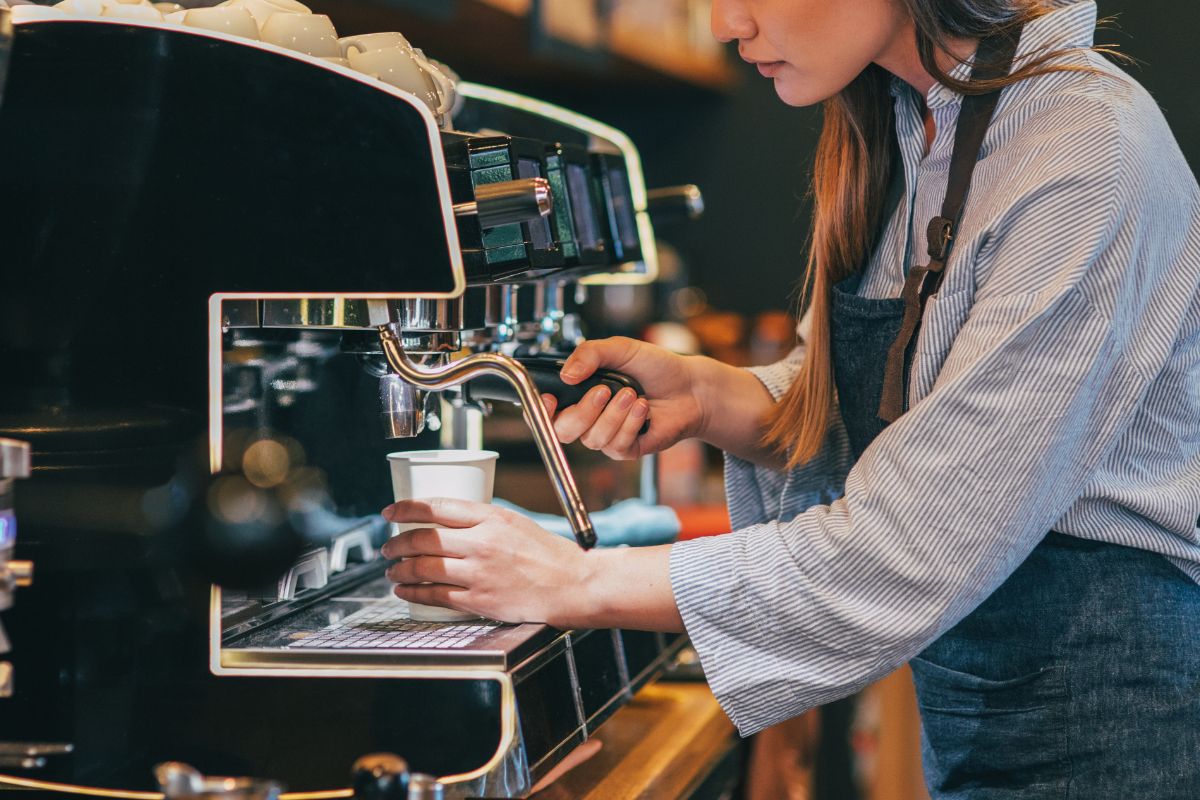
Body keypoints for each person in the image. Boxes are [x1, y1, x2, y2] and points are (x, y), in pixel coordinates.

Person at [380, 0, 1200, 795]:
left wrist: (574, 581)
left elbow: (914, 540)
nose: (724, 23)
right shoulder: (911, 124)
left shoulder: (1082, 154)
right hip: (992, 707)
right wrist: (710, 396)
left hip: (1121, 713)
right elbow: (903, 410)